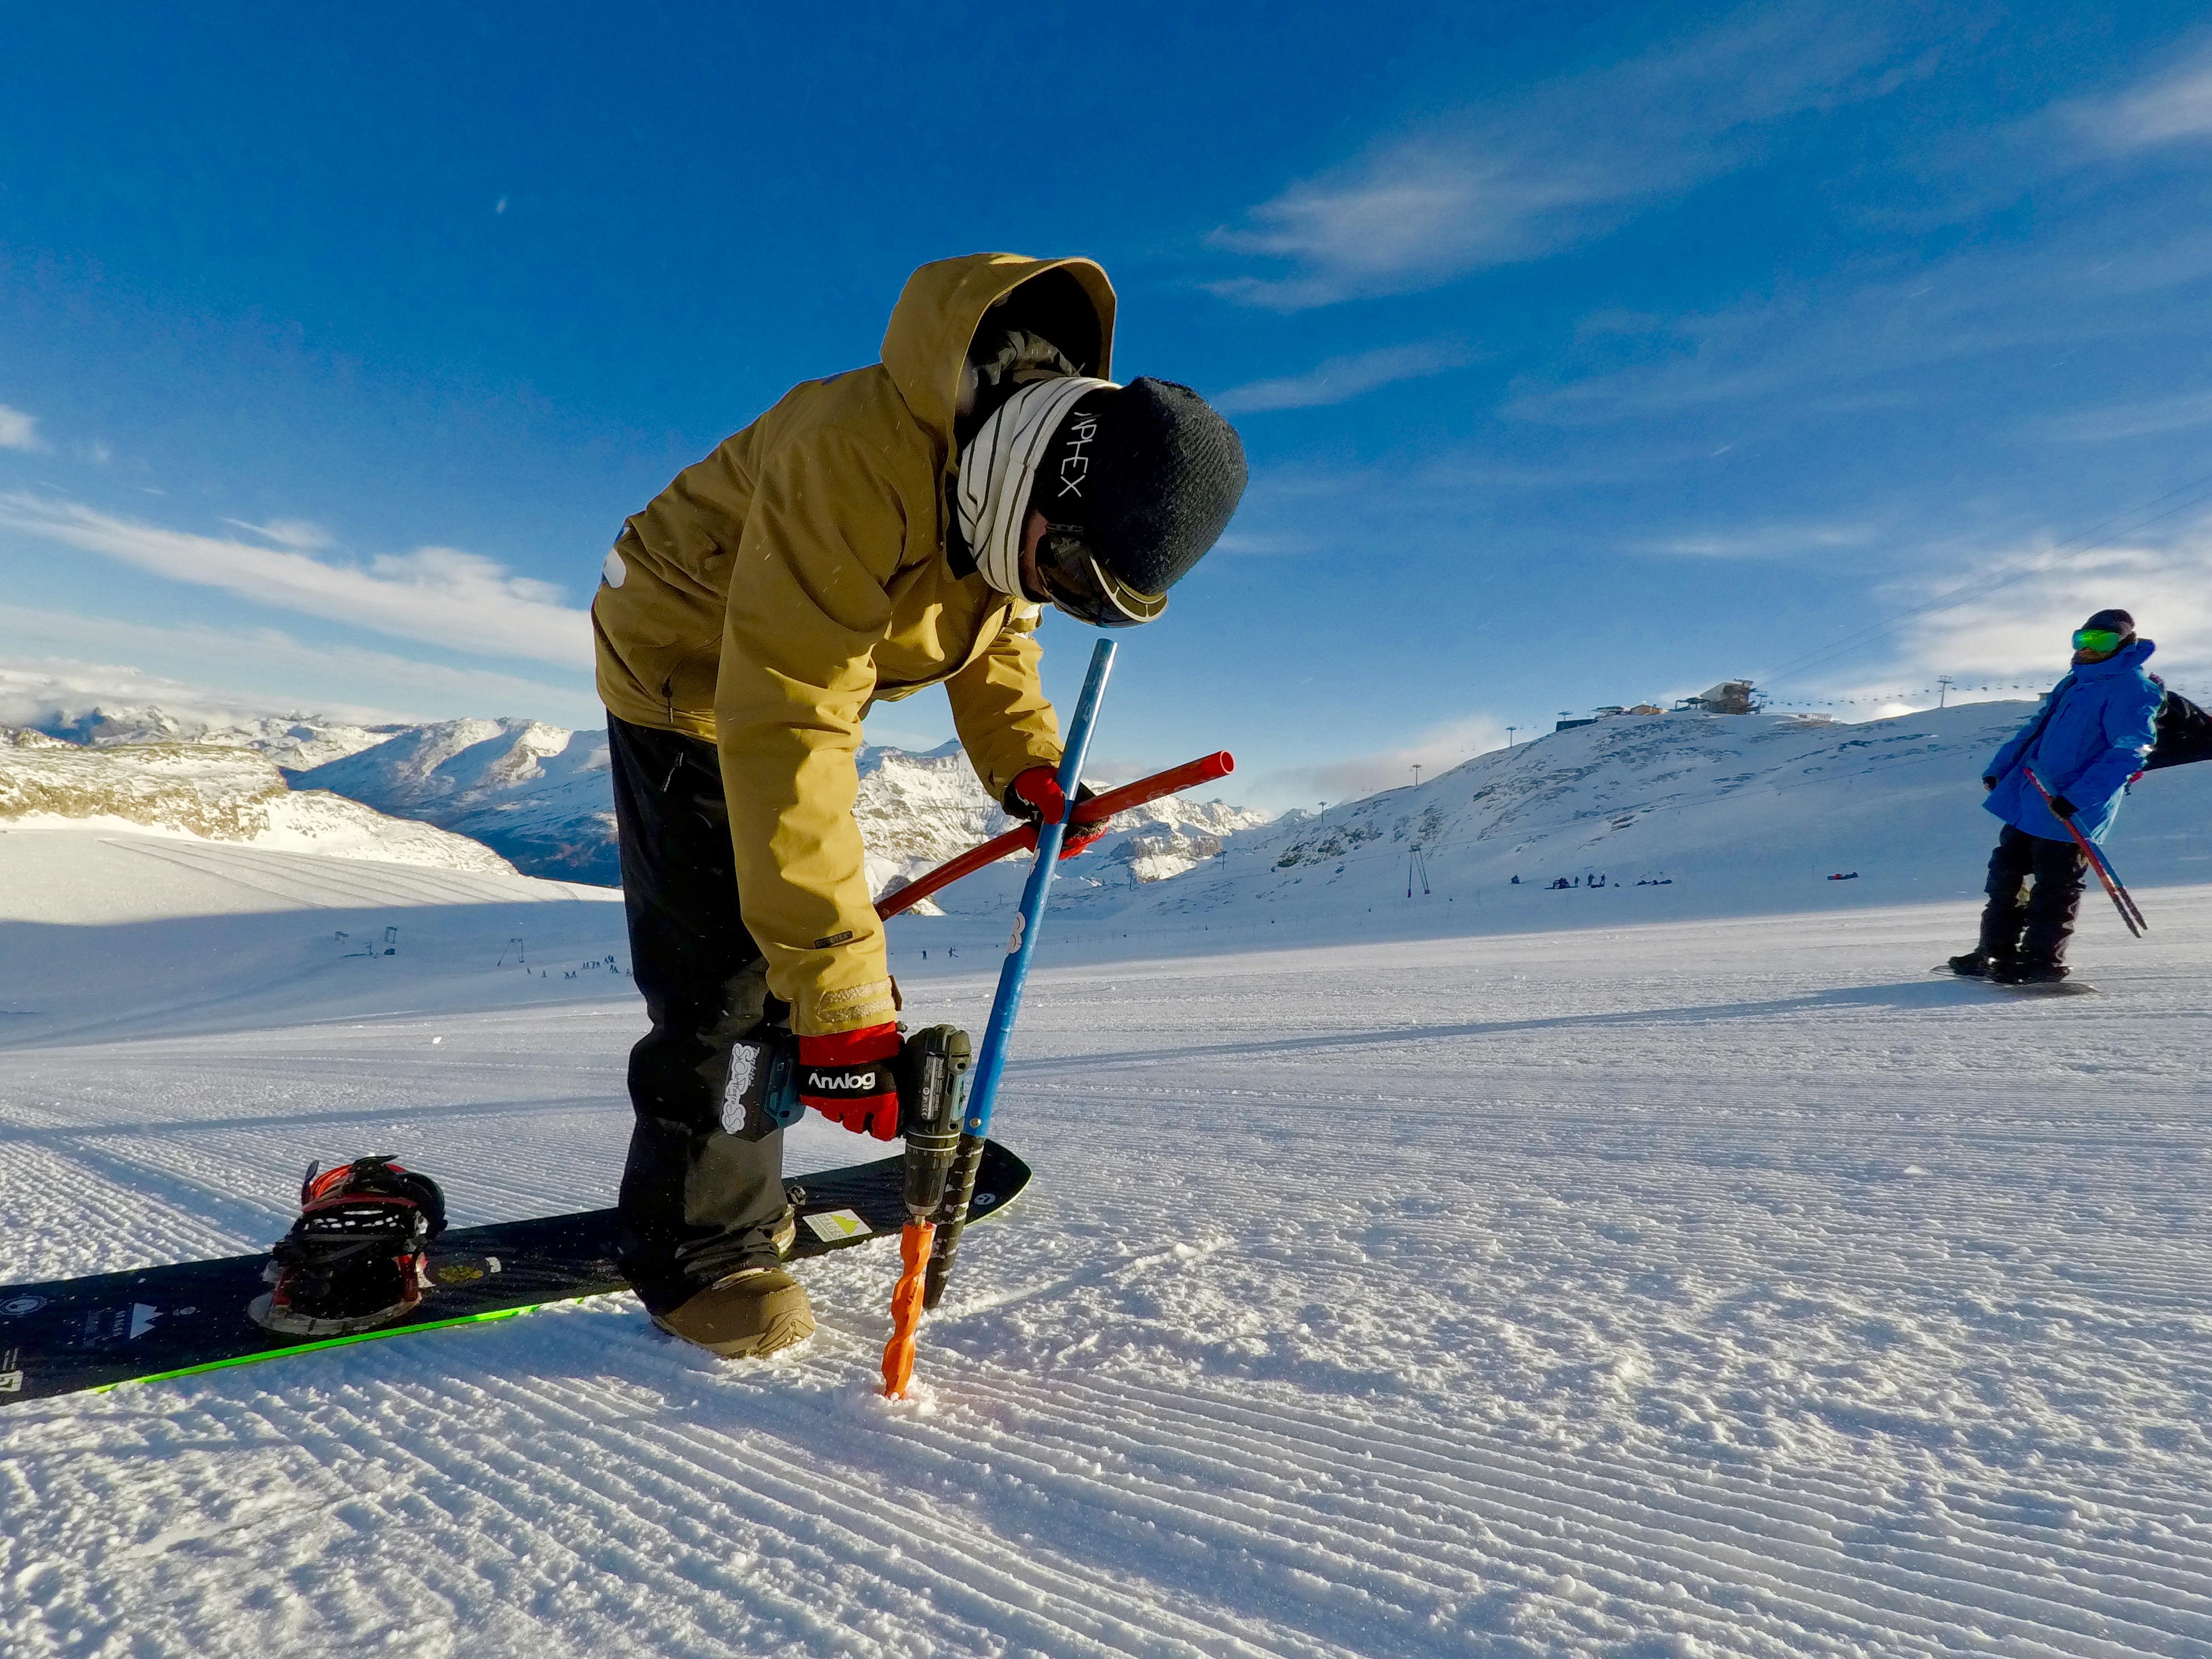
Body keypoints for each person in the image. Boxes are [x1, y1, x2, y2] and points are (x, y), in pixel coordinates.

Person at [591, 253, 1246, 1358]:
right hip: (690, 673)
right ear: (1048, 481)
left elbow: (996, 640)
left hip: (786, 681)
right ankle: (695, 1249)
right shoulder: (853, 461)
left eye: (1093, 604)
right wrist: (840, 1001)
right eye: (1071, 570)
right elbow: (788, 721)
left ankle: (752, 1154)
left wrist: (1027, 766)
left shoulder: (1007, 486)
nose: (1055, 597)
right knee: (727, 973)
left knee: (795, 963)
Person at [1948, 609, 2162, 985]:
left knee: (2055, 885)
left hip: (2071, 809)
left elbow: (2131, 750)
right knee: (2006, 877)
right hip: (2030, 795)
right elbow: (2036, 728)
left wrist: (2078, 797)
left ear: (2124, 644)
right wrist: (2000, 768)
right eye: (2083, 639)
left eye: (2102, 642)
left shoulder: (2133, 688)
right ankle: (1994, 951)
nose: (2089, 649)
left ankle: (2042, 961)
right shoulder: (2073, 682)